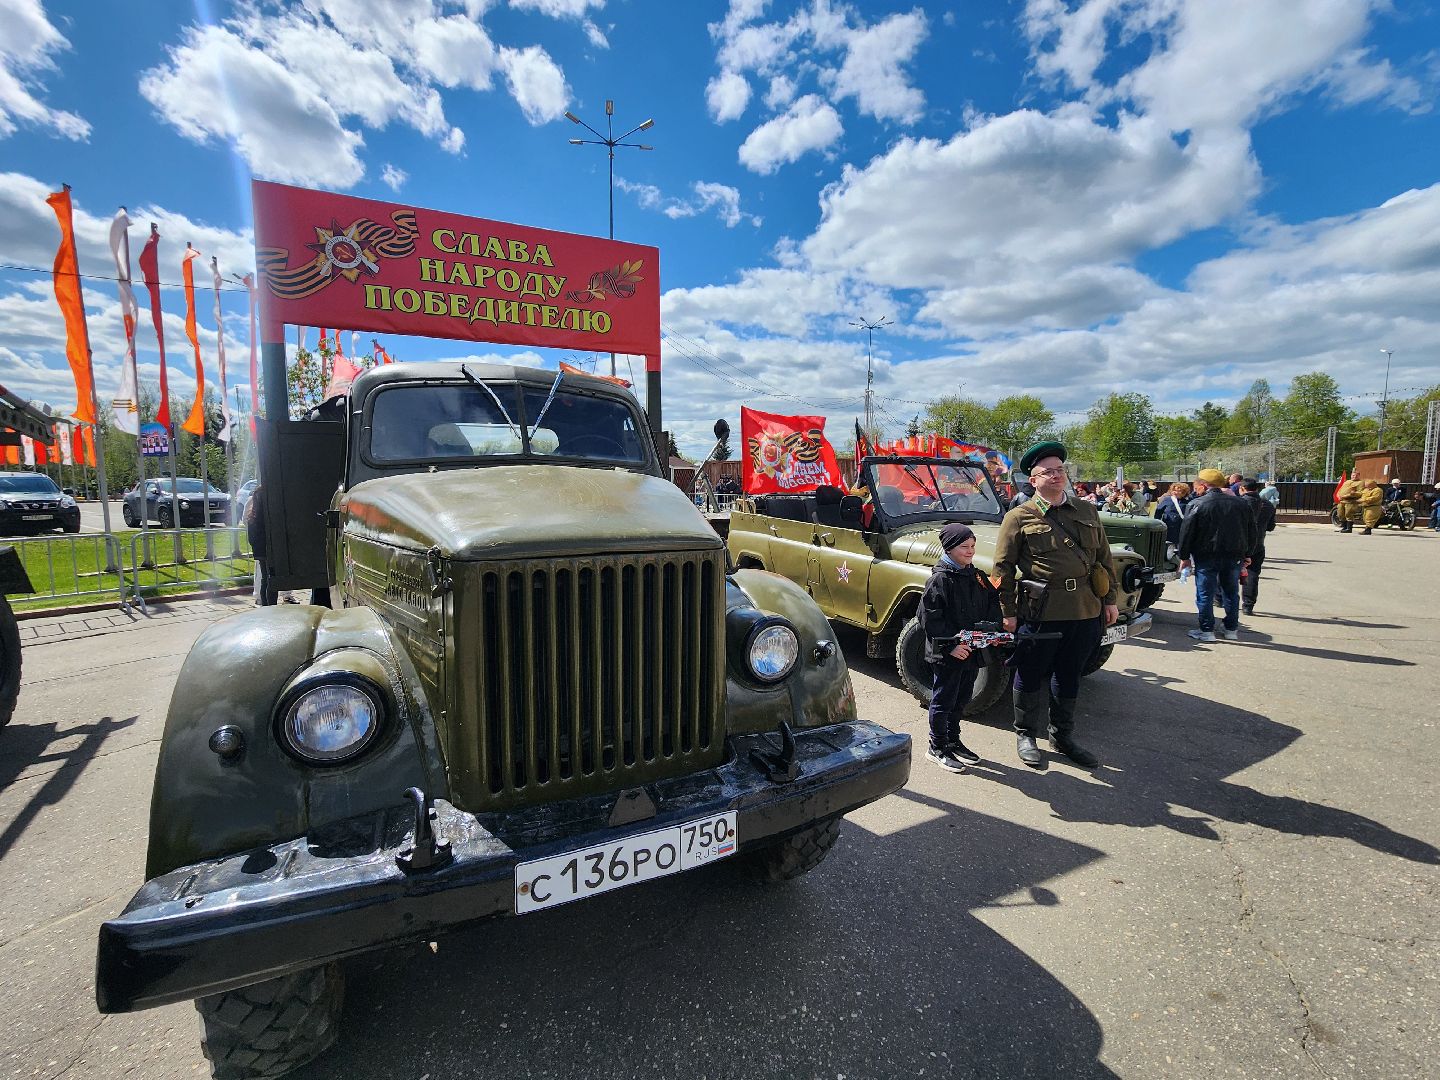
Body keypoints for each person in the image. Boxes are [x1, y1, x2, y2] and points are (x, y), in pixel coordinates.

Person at [994, 441, 1118, 769]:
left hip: (1085, 611)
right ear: (1032, 480)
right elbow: (1001, 569)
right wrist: (1008, 612)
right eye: (1047, 471)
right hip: (1041, 612)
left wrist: (1110, 600)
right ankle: (1025, 734)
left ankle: (1062, 736)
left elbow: (1104, 559)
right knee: (1030, 673)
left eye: (1060, 470)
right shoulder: (1018, 517)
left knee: (1070, 674)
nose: (1056, 475)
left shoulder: (1087, 511)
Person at [918, 522, 1002, 772]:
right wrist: (951, 646)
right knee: (943, 700)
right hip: (948, 653)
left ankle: (953, 740)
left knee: (961, 698)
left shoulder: (975, 575)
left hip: (971, 650)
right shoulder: (940, 579)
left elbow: (991, 601)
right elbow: (929, 620)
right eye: (964, 546)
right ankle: (937, 746)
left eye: (973, 546)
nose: (971, 551)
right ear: (950, 548)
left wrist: (991, 631)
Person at [1178, 468, 1258, 642]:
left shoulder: (1198, 504)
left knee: (1205, 592)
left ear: (1204, 485)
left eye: (1196, 485)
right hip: (1234, 555)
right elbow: (1252, 531)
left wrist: (1184, 556)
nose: (1195, 489)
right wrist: (1248, 553)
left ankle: (1206, 630)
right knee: (1231, 592)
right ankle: (1231, 629)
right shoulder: (1241, 504)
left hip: (1206, 555)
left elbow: (1187, 532)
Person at [1239, 478, 1276, 615]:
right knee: (1253, 574)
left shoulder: (1239, 503)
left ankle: (1220, 598)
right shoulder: (1267, 505)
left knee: (1226, 570)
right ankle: (1248, 605)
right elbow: (1271, 527)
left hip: (1239, 543)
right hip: (1258, 544)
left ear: (1242, 488)